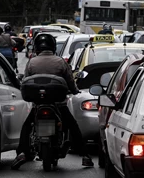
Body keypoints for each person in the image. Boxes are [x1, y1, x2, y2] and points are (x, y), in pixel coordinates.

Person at [12, 33, 94, 170]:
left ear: (37, 47)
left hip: (38, 103)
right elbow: (70, 81)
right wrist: (75, 91)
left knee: (26, 126)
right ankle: (84, 155)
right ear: (53, 47)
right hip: (58, 104)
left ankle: (22, 152)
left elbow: (25, 81)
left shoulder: (32, 62)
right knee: (72, 125)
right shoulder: (61, 62)